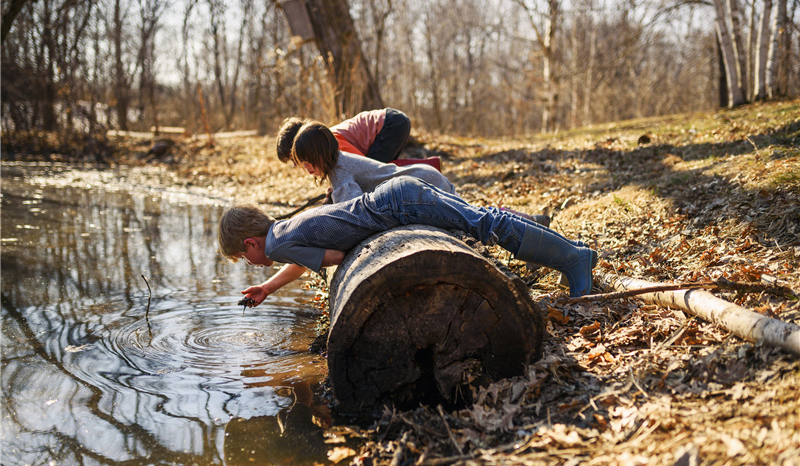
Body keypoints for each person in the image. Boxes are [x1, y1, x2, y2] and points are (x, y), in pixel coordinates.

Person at [217, 176, 598, 306]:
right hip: (396, 195)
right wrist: (268, 287)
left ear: (251, 243)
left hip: (398, 206)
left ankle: (574, 259)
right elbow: (303, 259)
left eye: (244, 257)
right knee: (483, 219)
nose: (250, 262)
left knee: (485, 225)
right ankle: (572, 255)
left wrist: (339, 260)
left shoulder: (277, 245)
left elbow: (331, 255)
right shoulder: (284, 228)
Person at [290, 120, 455, 204]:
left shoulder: (339, 170)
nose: (307, 167)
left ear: (322, 152)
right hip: (424, 176)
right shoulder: (341, 161)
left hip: (422, 183)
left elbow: (354, 213)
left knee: (465, 219)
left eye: (309, 161)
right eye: (302, 163)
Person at [276, 108, 440, 169]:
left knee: (376, 170)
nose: (296, 164)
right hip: (392, 122)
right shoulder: (324, 142)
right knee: (383, 168)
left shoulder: (331, 141)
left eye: (294, 158)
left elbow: (362, 164)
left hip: (390, 124)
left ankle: (428, 170)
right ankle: (430, 166)